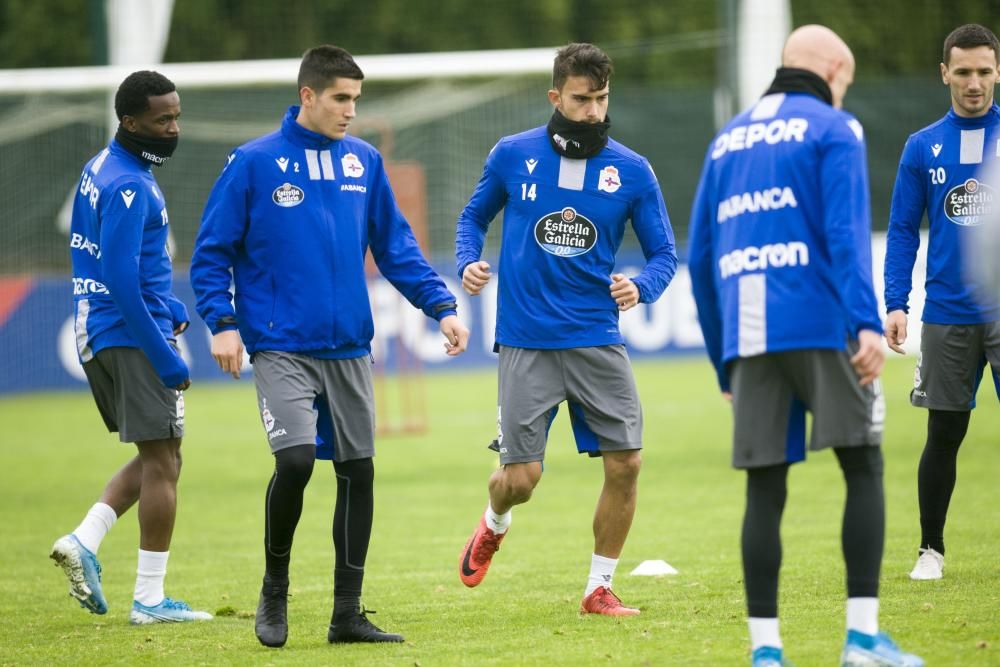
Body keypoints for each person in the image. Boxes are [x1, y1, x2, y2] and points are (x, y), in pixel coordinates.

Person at [190, 45, 469, 649]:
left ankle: (347, 613)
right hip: (281, 345)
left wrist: (441, 306)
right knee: (293, 462)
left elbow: (395, 247)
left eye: (356, 101)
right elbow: (211, 251)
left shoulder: (364, 162)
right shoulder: (253, 163)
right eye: (341, 98)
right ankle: (274, 590)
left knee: (357, 471)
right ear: (308, 96)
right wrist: (222, 321)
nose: (350, 111)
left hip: (347, 347)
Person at [689, 25, 923, 667]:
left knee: (765, 489)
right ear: (834, 70)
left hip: (749, 334)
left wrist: (723, 362)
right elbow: (844, 233)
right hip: (821, 324)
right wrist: (867, 322)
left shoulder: (725, 140)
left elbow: (700, 258)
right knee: (862, 464)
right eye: (845, 83)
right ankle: (862, 641)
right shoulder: (831, 127)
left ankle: (766, 653)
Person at [455, 42, 677, 616]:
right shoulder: (512, 155)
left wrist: (642, 287)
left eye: (602, 99)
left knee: (627, 461)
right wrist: (466, 261)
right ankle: (493, 521)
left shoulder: (632, 170)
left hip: (597, 337)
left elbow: (664, 255)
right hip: (527, 339)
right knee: (521, 479)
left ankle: (598, 588)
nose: (593, 112)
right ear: (556, 96)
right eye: (582, 99)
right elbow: (473, 217)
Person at [50, 70, 212, 625]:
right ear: (130, 121)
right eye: (162, 119)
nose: (173, 127)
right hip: (127, 334)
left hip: (102, 328)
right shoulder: (130, 185)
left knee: (157, 455)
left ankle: (84, 540)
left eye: (176, 116)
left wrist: (168, 306)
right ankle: (148, 600)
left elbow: (115, 265)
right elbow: (120, 276)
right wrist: (164, 352)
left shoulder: (103, 166)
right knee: (166, 461)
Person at [884, 23, 1000, 582]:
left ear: (998, 71)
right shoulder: (921, 145)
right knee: (944, 435)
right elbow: (903, 229)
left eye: (983, 71)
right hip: (950, 315)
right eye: (963, 71)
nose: (973, 82)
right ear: (944, 74)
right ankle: (931, 549)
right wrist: (895, 301)